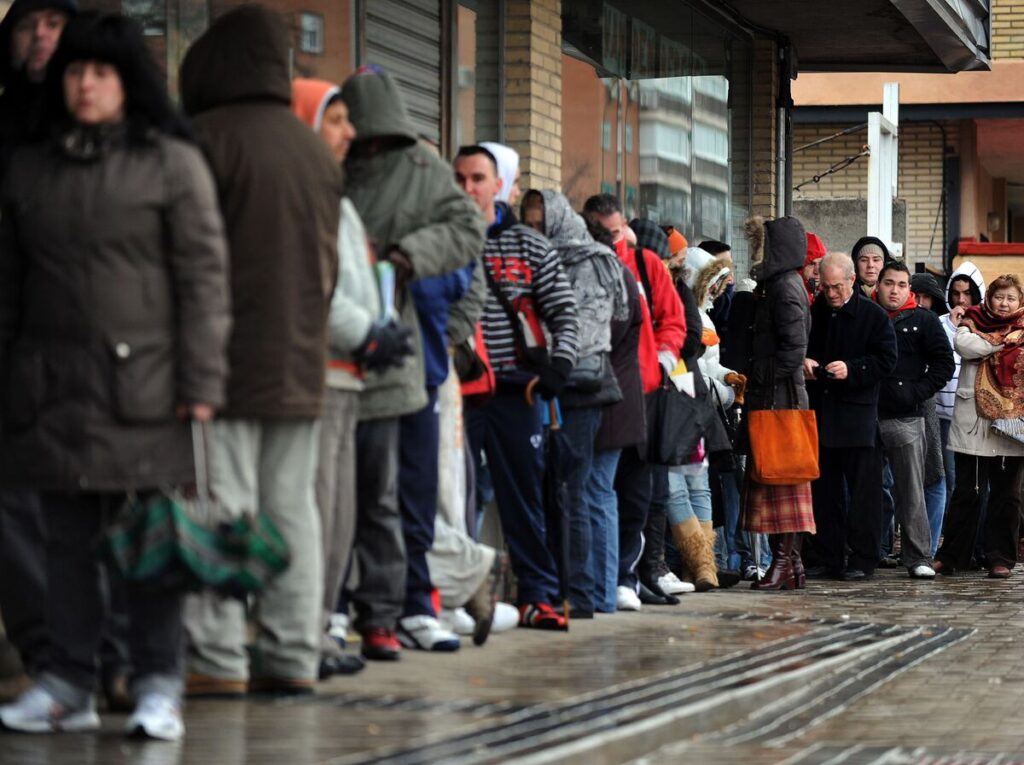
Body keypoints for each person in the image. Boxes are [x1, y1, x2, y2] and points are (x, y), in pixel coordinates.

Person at [0, 14, 230, 739]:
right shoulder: (30, 166)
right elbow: (10, 285)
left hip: (150, 389)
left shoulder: (170, 162)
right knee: (65, 546)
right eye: (74, 70)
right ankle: (69, 681)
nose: (85, 83)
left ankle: (157, 681)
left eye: (100, 71)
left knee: (149, 547)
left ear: (129, 81)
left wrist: (202, 383)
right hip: (51, 385)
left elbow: (204, 279)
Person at [179, 5, 340, 696]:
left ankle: (215, 655)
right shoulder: (310, 149)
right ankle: (293, 649)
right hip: (301, 362)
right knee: (292, 509)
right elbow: (330, 269)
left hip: (223, 361)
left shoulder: (203, 140)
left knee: (222, 503)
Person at [342, 69, 484, 655]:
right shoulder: (331, 169)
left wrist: (409, 261)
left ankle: (406, 605)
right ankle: (344, 609)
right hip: (342, 356)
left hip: (413, 366)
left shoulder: (422, 177)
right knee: (348, 496)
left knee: (407, 497)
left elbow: (468, 256)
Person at [290, 78, 415, 676]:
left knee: (337, 516)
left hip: (349, 374)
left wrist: (376, 333)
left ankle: (315, 632)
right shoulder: (309, 195)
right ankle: (303, 634)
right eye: (334, 119)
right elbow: (316, 290)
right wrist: (367, 332)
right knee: (318, 511)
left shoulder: (334, 197)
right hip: (321, 372)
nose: (349, 132)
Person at [455, 145, 580, 630]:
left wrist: (559, 368)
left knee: (524, 500)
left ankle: (538, 596)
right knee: (454, 498)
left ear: (499, 185)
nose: (468, 188)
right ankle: (458, 597)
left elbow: (564, 313)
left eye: (477, 178)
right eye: (460, 178)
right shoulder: (442, 241)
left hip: (516, 392)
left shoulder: (530, 246)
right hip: (458, 393)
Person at [520, 190, 627, 618]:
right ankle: (555, 587)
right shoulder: (539, 259)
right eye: (527, 223)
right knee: (555, 491)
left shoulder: (591, 261)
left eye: (539, 223)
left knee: (575, 491)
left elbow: (598, 325)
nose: (533, 231)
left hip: (579, 388)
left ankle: (579, 592)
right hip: (546, 383)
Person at [582, 193, 686, 610]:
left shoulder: (644, 263)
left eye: (617, 230)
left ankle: (626, 574)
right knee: (600, 489)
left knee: (635, 492)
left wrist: (659, 363)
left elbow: (674, 320)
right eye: (606, 232)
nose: (614, 238)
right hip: (598, 392)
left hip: (641, 394)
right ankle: (612, 576)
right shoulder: (590, 263)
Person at [806, 253, 897, 581]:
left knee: (864, 494)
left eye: (837, 288)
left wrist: (853, 369)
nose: (831, 294)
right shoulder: (815, 311)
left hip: (858, 418)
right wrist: (806, 363)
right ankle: (829, 555)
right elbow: (802, 347)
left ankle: (863, 558)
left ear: (852, 281)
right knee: (824, 493)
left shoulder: (873, 315)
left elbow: (886, 360)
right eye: (825, 287)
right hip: (822, 414)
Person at [741, 216, 816, 591]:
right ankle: (792, 565)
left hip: (780, 399)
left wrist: (762, 379)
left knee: (782, 480)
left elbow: (793, 349)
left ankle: (785, 562)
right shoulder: (780, 284)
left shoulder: (785, 287)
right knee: (778, 479)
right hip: (777, 395)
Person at [934, 274, 1024, 577]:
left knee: (1007, 495)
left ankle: (1000, 558)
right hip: (973, 421)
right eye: (1000, 296)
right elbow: (965, 345)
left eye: (1011, 298)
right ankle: (953, 557)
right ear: (989, 297)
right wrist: (1002, 343)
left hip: (1011, 421)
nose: (1004, 303)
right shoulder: (972, 319)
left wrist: (990, 343)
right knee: (967, 492)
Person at [874, 262, 954, 579]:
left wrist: (916, 392)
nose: (895, 290)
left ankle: (918, 556)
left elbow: (943, 364)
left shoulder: (924, 320)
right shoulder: (868, 315)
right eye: (889, 283)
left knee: (911, 490)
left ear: (910, 289)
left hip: (907, 417)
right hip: (867, 413)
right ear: (878, 285)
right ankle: (868, 553)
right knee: (869, 489)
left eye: (901, 284)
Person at [585, 219, 645, 613]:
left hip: (608, 398)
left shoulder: (612, 276)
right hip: (624, 397)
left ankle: (604, 587)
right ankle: (609, 586)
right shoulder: (624, 275)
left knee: (597, 491)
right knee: (603, 492)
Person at [910, 271, 953, 557]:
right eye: (917, 295)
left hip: (930, 406)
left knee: (935, 474)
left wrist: (922, 388)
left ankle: (928, 547)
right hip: (895, 404)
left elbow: (943, 364)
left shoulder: (936, 325)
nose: (920, 302)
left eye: (926, 297)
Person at [936, 262, 986, 503]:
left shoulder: (987, 324)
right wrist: (954, 329)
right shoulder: (939, 323)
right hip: (944, 414)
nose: (961, 299)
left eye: (967, 293)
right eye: (956, 293)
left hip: (977, 414)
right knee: (950, 476)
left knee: (977, 479)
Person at [803, 232, 826, 300]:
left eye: (821, 263)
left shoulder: (826, 293)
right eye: (812, 264)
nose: (817, 271)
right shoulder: (793, 293)